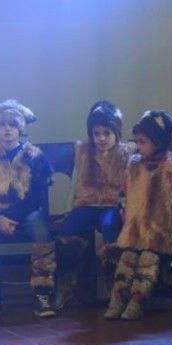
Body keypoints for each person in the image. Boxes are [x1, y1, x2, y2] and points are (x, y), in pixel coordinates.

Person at [0, 100, 55, 319]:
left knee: (41, 231)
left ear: (20, 128)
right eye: (3, 124)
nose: (7, 129)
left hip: (25, 211)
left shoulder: (34, 156)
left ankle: (42, 290)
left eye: (13, 125)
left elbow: (36, 197)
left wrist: (11, 216)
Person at [103, 111, 172, 321]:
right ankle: (119, 296)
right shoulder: (133, 165)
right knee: (127, 257)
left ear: (158, 142)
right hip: (136, 227)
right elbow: (124, 193)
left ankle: (138, 299)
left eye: (142, 142)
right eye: (136, 142)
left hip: (162, 228)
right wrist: (125, 212)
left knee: (147, 259)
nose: (137, 146)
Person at [54, 101, 132, 311]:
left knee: (110, 226)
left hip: (112, 204)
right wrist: (68, 210)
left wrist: (127, 208)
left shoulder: (126, 154)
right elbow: (75, 183)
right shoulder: (83, 152)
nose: (101, 138)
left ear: (116, 133)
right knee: (69, 228)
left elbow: (131, 186)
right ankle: (68, 284)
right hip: (87, 203)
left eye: (107, 133)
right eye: (96, 133)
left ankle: (115, 287)